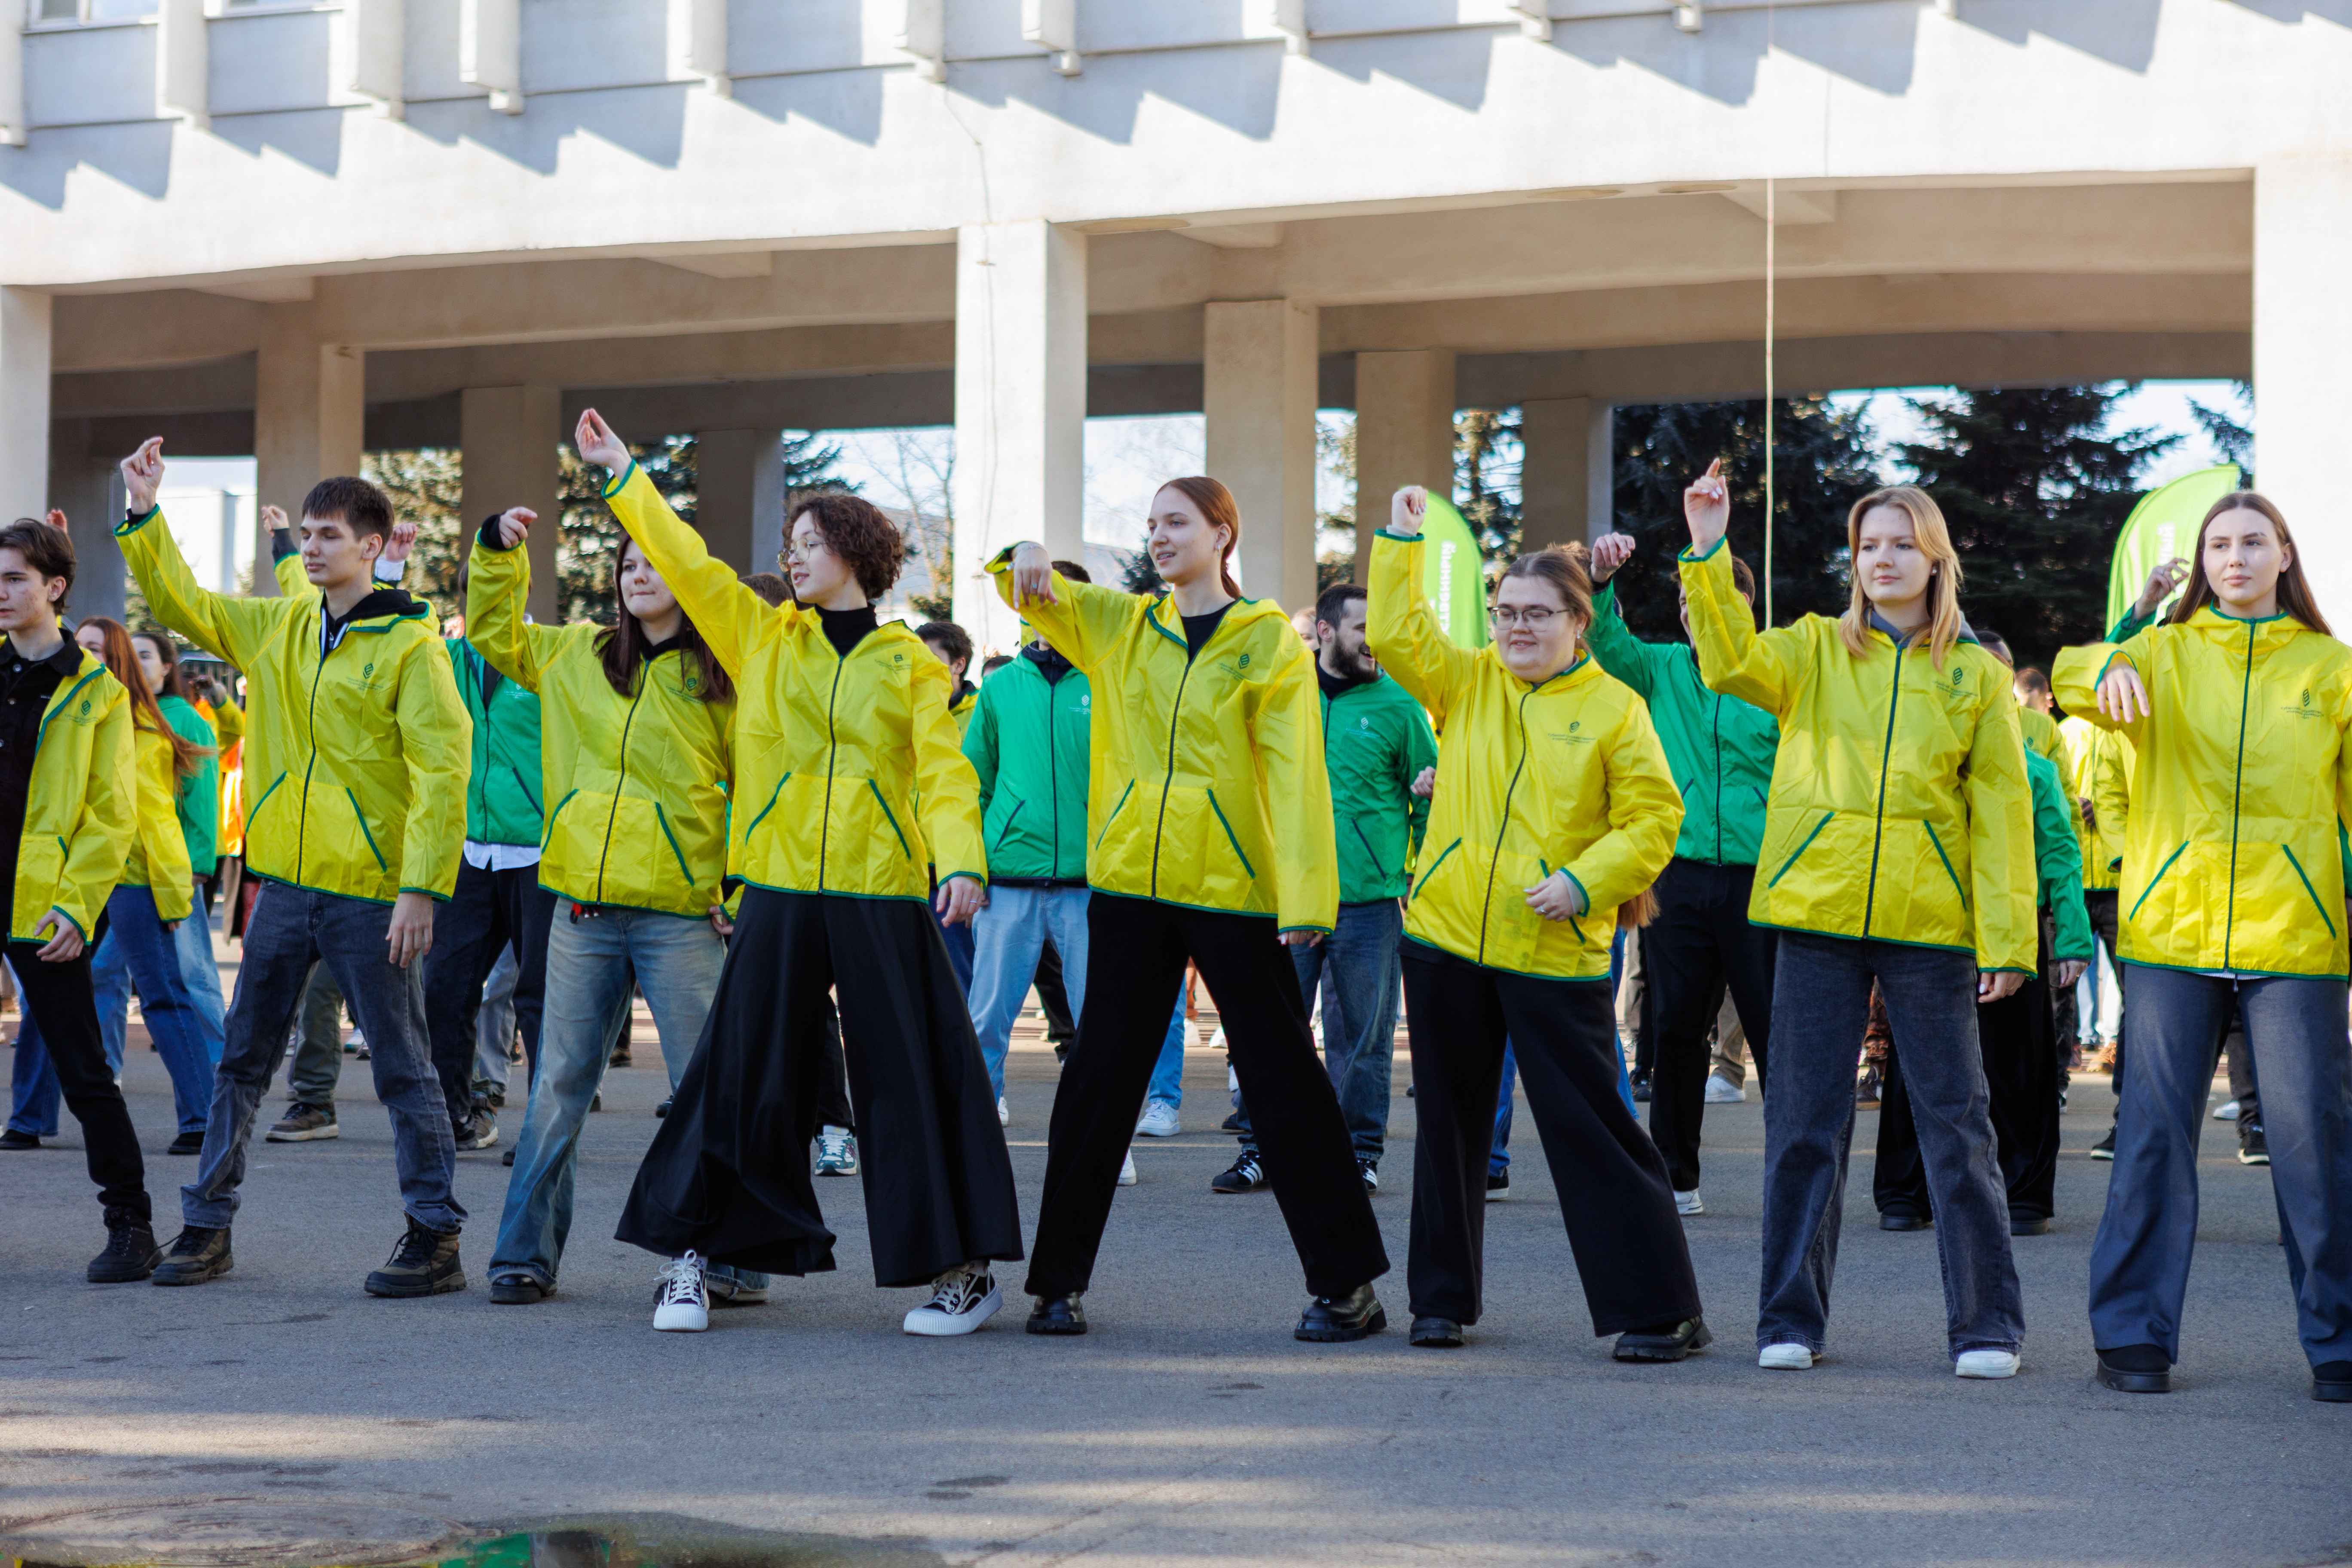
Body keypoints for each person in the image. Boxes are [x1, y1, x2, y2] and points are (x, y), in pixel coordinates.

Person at [581, 409, 1020, 1338]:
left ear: (857, 552)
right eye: (793, 542)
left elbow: (943, 773)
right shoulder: (764, 635)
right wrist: (625, 474)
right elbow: (690, 563)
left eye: (813, 542)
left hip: (880, 890)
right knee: (739, 1073)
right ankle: (695, 1261)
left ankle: (963, 1271)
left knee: (909, 1077)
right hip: (779, 883)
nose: (798, 555)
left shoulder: (908, 664)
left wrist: (963, 864)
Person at [998, 477, 1390, 1341]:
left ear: (1223, 535)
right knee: (1097, 1085)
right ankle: (1055, 1284)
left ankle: (1347, 1287)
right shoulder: (1126, 625)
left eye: (1176, 522)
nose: (1159, 536)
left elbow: (1295, 774)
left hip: (1233, 892)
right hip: (1133, 887)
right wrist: (1022, 556)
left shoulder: (1265, 643)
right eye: (1151, 525)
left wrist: (1306, 897)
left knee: (1286, 1087)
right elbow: (1031, 590)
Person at [1678, 460, 2035, 1379]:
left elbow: (2002, 813)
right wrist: (1710, 551)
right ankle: (1789, 1319)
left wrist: (2008, 939)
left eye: (1901, 544)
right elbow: (1725, 660)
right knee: (1804, 1123)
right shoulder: (1808, 649)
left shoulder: (1974, 679)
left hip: (1932, 929)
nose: (1883, 559)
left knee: (1959, 1127)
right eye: (1868, 545)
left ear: (1934, 559)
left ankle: (1987, 1325)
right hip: (1818, 916)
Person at [115, 438, 472, 1298]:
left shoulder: (411, 648)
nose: (311, 547)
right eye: (306, 533)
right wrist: (144, 510)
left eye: (329, 535)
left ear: (375, 547)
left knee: (402, 1067)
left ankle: (435, 1237)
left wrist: (420, 888)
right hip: (285, 883)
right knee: (242, 1061)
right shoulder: (280, 624)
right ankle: (206, 1229)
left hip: (370, 893)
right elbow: (179, 600)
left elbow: (443, 767)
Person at [1369, 488, 1703, 1358]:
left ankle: (1663, 1308)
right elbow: (1400, 637)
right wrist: (1402, 541)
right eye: (1503, 612)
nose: (1516, 627)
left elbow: (1653, 820)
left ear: (1577, 623)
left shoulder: (1615, 709)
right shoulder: (1467, 681)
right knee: (1447, 1128)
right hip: (1445, 939)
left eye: (1536, 614)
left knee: (1594, 1131)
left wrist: (1583, 884)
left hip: (1554, 948)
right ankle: (1440, 1302)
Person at [2053, 491, 2352, 1403]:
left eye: (2253, 541)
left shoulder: (2332, 670)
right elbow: (2069, 673)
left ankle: (2339, 1344)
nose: (2235, 557)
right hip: (2171, 934)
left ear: (2285, 555)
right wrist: (2110, 660)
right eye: (2219, 543)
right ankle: (2133, 1339)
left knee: (2316, 1147)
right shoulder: (2163, 652)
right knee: (2150, 1136)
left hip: (2295, 936)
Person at [467, 504, 750, 1308]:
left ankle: (731, 1259)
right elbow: (493, 633)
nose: (637, 573)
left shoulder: (722, 679)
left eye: (655, 561)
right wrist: (497, 553)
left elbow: (756, 788)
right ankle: (523, 1256)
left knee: (706, 1088)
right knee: (557, 1086)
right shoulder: (573, 653)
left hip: (680, 916)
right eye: (628, 563)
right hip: (581, 912)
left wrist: (735, 887)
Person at [1586, 529, 1780, 1216]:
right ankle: (1675, 1175)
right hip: (1680, 877)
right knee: (1674, 1029)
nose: (1703, 617)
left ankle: (1794, 1177)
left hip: (1762, 880)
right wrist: (1603, 584)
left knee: (1776, 1037)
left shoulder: (1776, 677)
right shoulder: (1664, 668)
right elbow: (1606, 646)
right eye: (1693, 606)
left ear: (1748, 610)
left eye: (1720, 603)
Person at [1875, 630, 2092, 1238]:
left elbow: (2061, 855)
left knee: (2020, 1067)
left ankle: (2025, 1194)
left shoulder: (2038, 771)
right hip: (1929, 929)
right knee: (1913, 1065)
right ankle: (1904, 1190)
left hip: (2015, 930)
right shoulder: (1919, 756)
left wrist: (2072, 937)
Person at [1222, 581, 1435, 1197]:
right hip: (1284, 898)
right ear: (1324, 632)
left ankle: (1359, 1153)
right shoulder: (1281, 698)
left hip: (1369, 905)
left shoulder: (1400, 707)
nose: (1376, 641)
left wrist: (1417, 872)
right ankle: (1260, 1149)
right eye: (1364, 627)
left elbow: (1429, 799)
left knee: (1364, 1040)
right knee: (1271, 1031)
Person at [0, 516, 155, 1279]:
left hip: (42, 902)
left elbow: (112, 812)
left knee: (84, 1068)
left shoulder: (94, 690)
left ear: (54, 588)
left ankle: (130, 1224)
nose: (1, 593)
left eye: (15, 579)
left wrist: (75, 905)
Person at [420, 561, 554, 1156]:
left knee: (540, 997)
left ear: (520, 590)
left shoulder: (550, 655)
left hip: (539, 852)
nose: (489, 599)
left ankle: (547, 1128)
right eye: (479, 591)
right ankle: (458, 1115)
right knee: (444, 988)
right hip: (470, 852)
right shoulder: (449, 659)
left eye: (501, 588)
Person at [737, 569, 857, 1179]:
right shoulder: (732, 678)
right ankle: (765, 1142)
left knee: (815, 1013)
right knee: (757, 1018)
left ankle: (835, 1127)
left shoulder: (812, 679)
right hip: (752, 874)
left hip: (814, 872)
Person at [2079, 556, 2190, 1161]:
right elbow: (2098, 663)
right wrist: (2141, 611)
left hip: (2151, 881)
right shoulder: (2121, 692)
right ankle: (2130, 1127)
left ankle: (2258, 1125)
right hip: (2114, 885)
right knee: (2142, 1018)